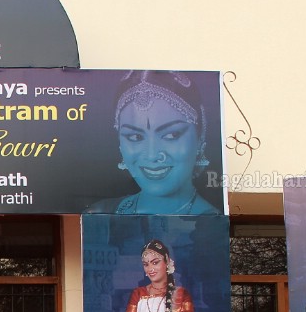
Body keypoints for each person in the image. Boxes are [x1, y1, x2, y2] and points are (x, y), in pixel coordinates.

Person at [88, 71, 218, 215]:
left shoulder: (214, 223)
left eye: (171, 135)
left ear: (200, 137)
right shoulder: (98, 214)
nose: (151, 155)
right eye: (135, 137)